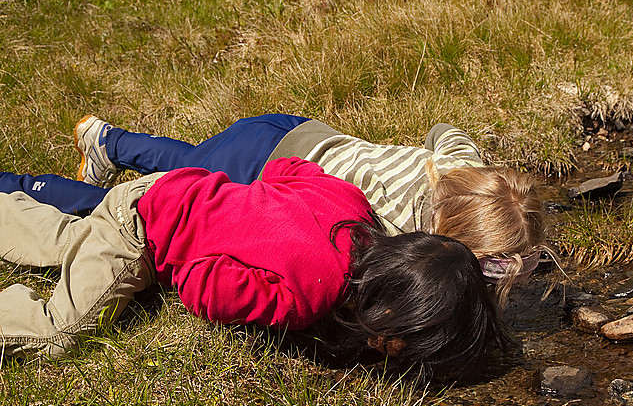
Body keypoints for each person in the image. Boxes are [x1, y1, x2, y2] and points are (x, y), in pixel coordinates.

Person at [0, 156, 505, 377]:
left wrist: (251, 211)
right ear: (391, 315)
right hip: (144, 234)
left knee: (70, 241)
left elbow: (291, 171)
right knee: (61, 333)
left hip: (172, 185)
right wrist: (193, 261)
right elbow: (201, 285)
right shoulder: (299, 299)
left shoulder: (355, 212)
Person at [0, 115, 551, 305]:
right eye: (497, 268)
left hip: (290, 132)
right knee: (139, 209)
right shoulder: (396, 235)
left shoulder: (461, 166)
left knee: (193, 165)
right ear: (446, 238)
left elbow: (443, 131)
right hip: (267, 175)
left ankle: (108, 141)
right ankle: (17, 186)